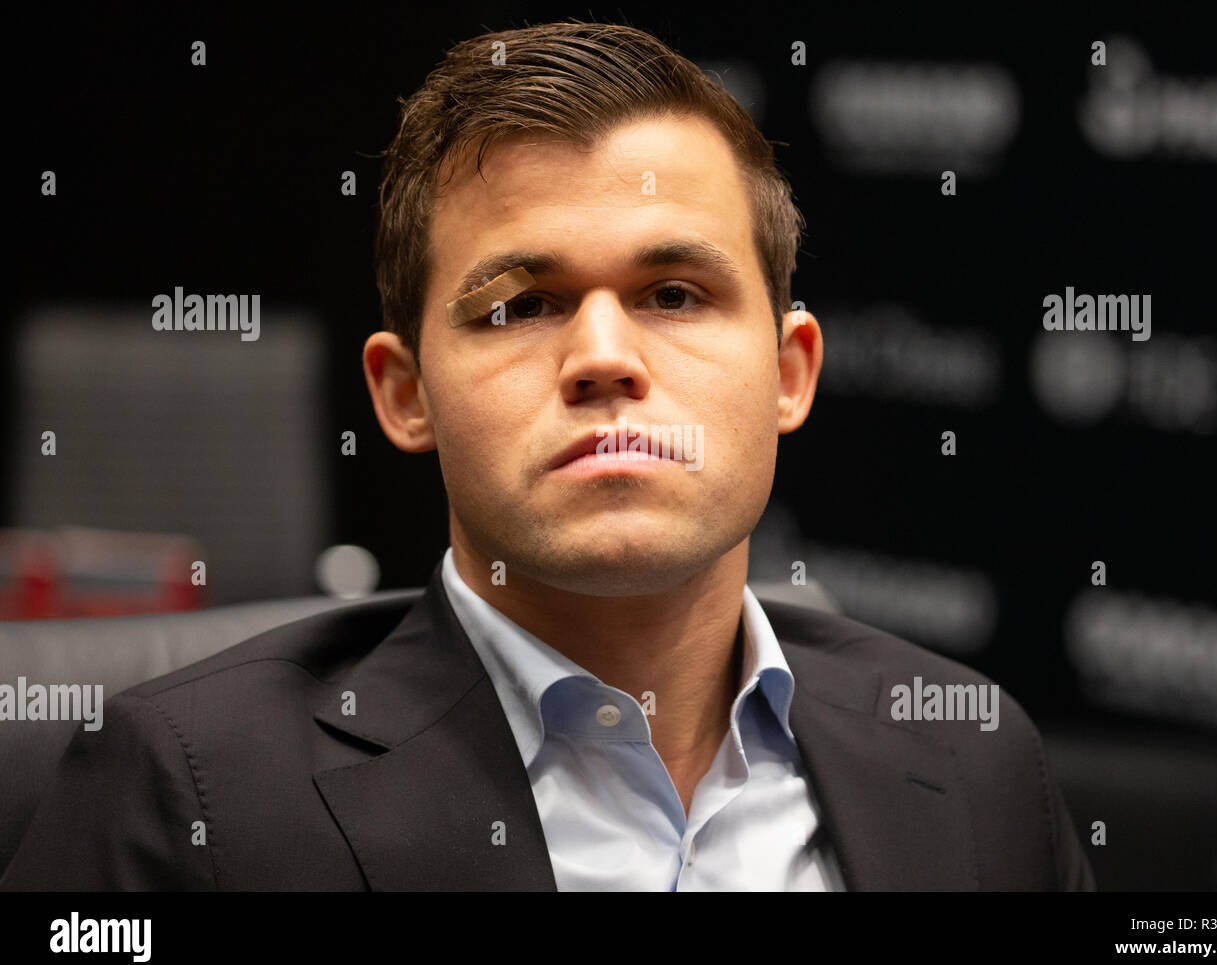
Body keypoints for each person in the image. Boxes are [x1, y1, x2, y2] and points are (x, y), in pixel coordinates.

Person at [1, 19, 1094, 891]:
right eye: (521, 305)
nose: (602, 358)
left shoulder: (972, 755)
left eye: (674, 294)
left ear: (788, 372)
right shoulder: (184, 792)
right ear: (404, 393)